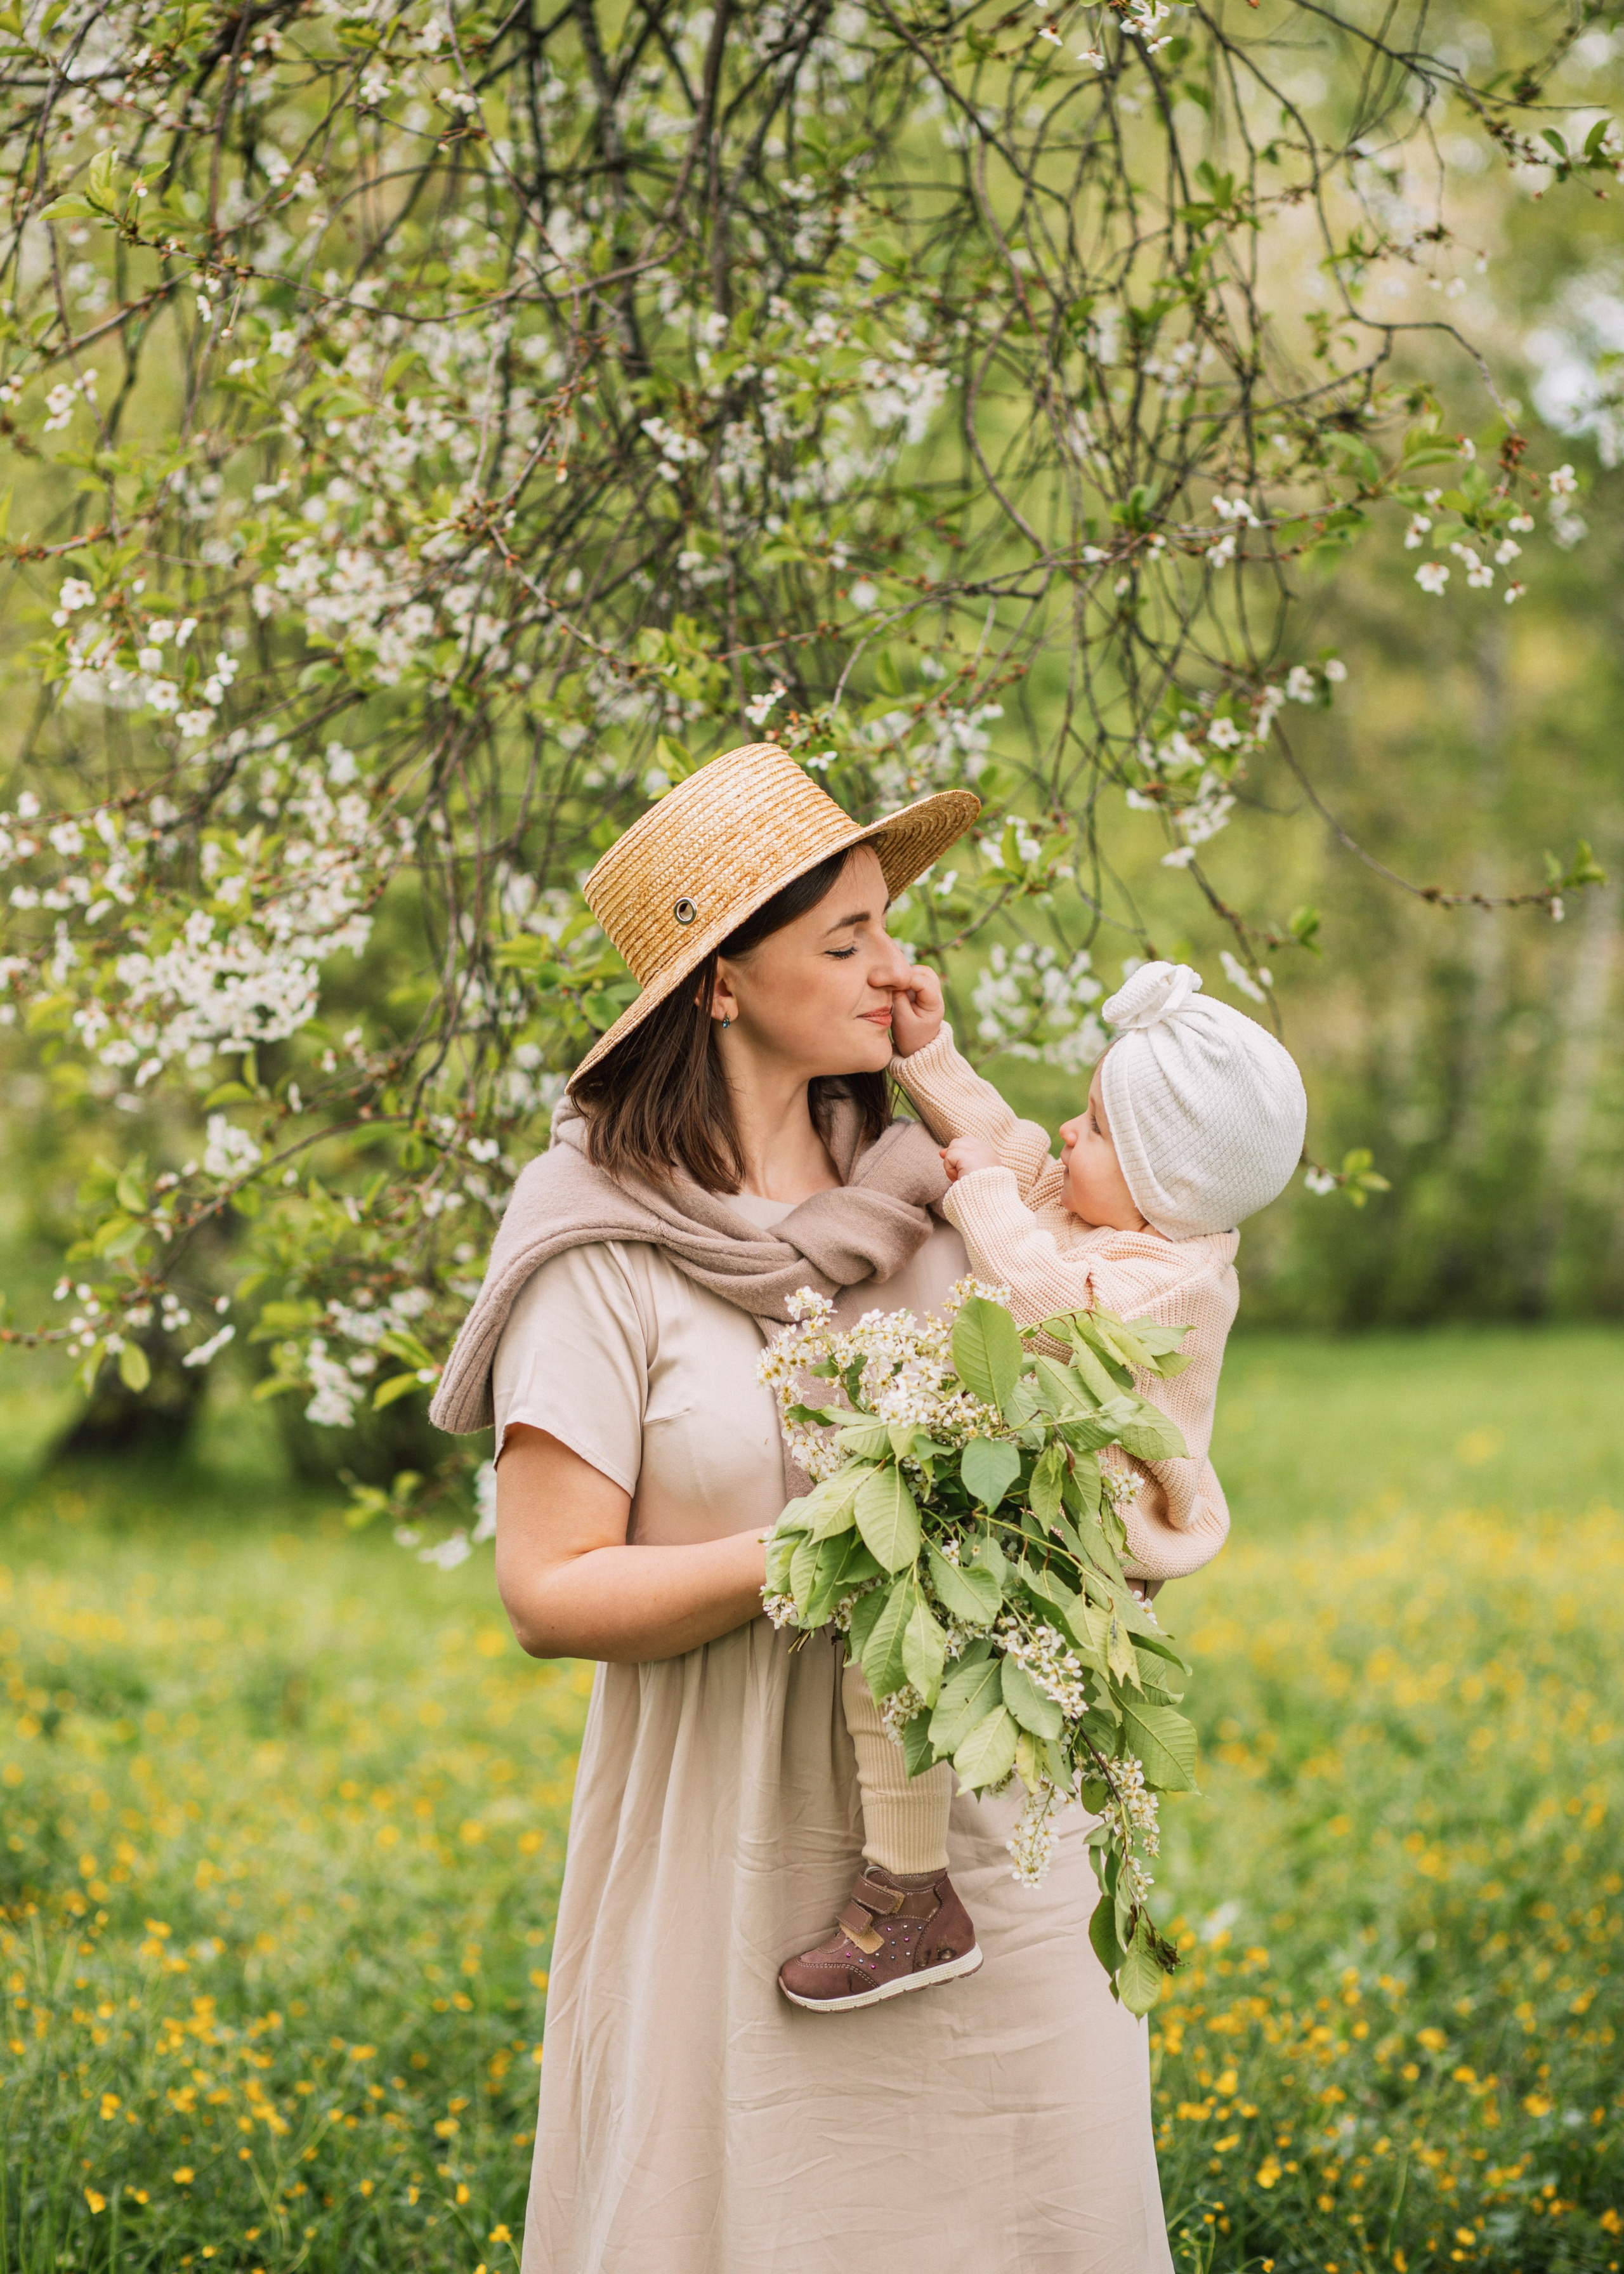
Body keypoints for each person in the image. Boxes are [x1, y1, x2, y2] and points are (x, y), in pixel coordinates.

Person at [431, 742, 1181, 2273]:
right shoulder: (596, 1248)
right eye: (843, 940)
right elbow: (545, 1589)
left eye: (886, 926)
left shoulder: (941, 1195)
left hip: (983, 1862)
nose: (889, 965)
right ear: (718, 981)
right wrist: (815, 1544)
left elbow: (1113, 1375)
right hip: (732, 1859)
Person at [775, 956, 1307, 2013]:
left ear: (1171, 1187)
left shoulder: (1178, 1278)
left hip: (1085, 1542)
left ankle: (912, 1898)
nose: (1070, 1133)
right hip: (1026, 1505)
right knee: (896, 1655)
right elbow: (1016, 1146)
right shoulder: (1114, 1203)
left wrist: (974, 1190)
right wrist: (931, 1055)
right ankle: (916, 1884)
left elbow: (1047, 1307)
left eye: (1098, 1126)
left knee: (899, 1658)